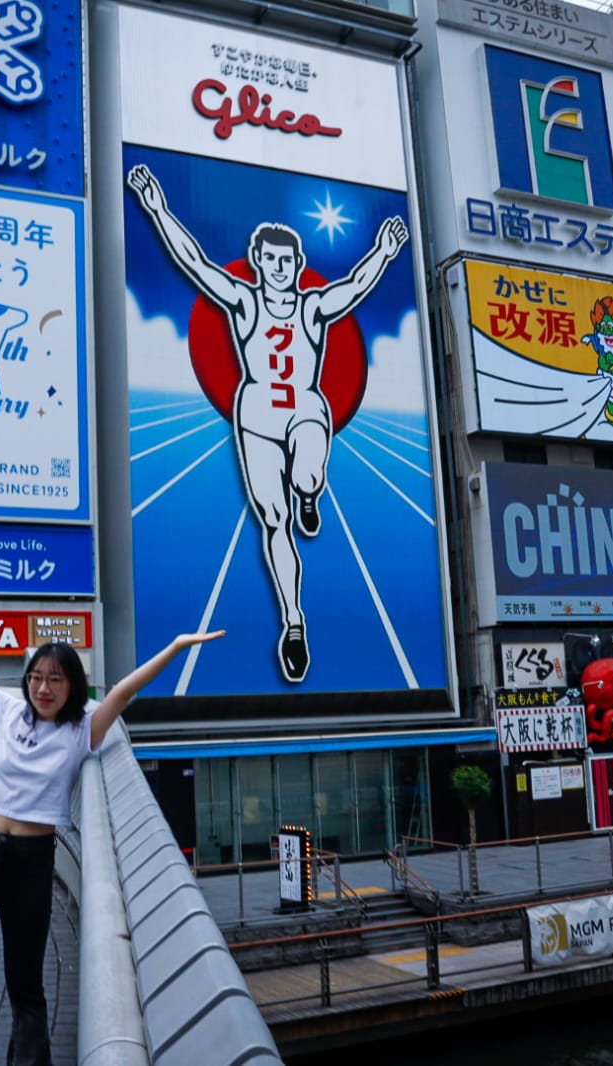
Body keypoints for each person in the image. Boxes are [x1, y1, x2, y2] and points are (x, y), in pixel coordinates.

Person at [0, 594, 222, 1066]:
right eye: (37, 678)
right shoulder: (6, 710)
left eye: (55, 680)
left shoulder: (83, 730)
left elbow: (124, 691)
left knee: (26, 986)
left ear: (72, 687)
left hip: (30, 861)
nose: (43, 688)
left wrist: (176, 647)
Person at [126, 164, 408, 683]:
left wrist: (385, 253)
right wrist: (157, 207)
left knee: (305, 475)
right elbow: (194, 262)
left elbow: (355, 287)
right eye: (270, 259)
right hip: (255, 414)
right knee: (273, 524)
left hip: (304, 408)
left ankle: (309, 491)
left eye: (287, 260)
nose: (278, 267)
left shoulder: (314, 306)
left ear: (298, 264)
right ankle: (294, 623)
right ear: (258, 262)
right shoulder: (243, 302)